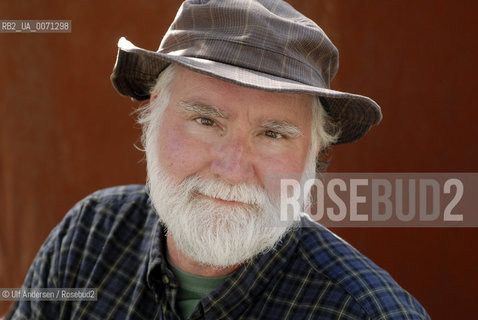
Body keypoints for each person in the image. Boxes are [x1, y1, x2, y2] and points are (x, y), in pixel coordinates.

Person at [6, 0, 430, 319]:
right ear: (153, 112)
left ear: (315, 153)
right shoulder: (89, 238)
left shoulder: (369, 312)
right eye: (206, 120)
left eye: (273, 134)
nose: (232, 169)